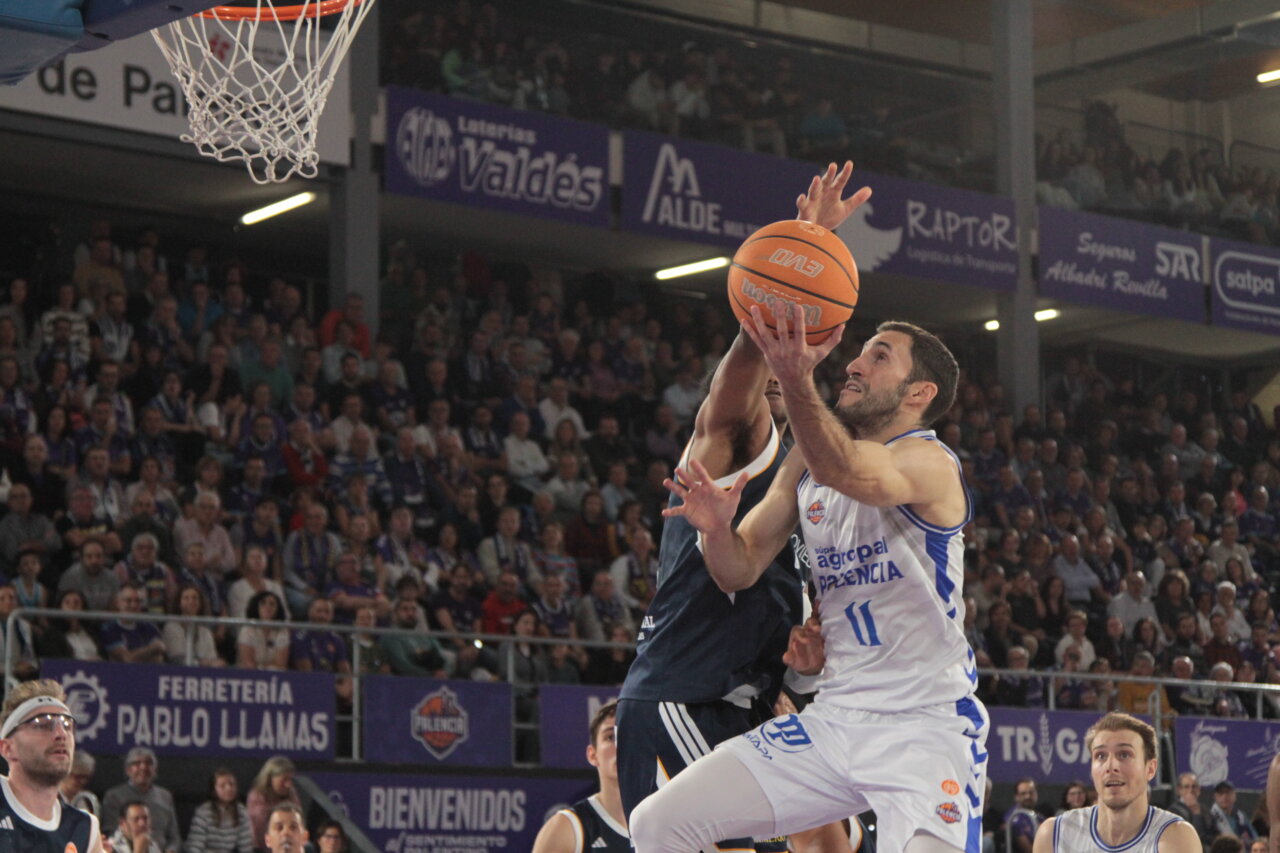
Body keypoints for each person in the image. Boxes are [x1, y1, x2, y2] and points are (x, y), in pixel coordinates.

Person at [631, 304, 984, 852]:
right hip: (835, 717)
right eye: (862, 350)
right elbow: (738, 567)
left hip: (924, 726)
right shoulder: (803, 466)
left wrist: (795, 377)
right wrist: (716, 531)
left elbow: (848, 469)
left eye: (879, 356)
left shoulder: (930, 462)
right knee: (657, 823)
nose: (855, 364)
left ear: (920, 393)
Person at [619, 162, 868, 853]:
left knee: (829, 839)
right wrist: (801, 255)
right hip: (685, 694)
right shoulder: (740, 443)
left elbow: (780, 629)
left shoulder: (810, 484)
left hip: (749, 700)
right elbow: (733, 392)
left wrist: (806, 666)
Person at [1031, 712, 1198, 852]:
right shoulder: (1054, 834)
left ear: (1150, 768)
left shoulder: (1175, 837)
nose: (1111, 766)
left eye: (1124, 754)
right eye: (1101, 756)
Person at [0, 680, 104, 853]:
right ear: (8, 748)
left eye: (67, 725)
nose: (61, 734)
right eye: (43, 724)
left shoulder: (85, 828)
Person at [533, 700, 629, 852]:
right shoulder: (565, 829)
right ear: (593, 755)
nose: (621, 746)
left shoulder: (663, 823)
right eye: (611, 737)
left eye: (629, 736)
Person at [101, 746, 181, 853]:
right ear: (128, 770)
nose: (143, 767)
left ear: (155, 769)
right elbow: (109, 833)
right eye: (137, 763)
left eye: (148, 763)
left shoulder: (165, 796)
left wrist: (171, 850)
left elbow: (174, 837)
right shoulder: (114, 796)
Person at [186, 768, 253, 853]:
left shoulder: (242, 812)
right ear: (214, 790)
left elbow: (246, 847)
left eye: (232, 784)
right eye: (222, 786)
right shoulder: (203, 812)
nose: (228, 788)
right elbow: (194, 847)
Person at [246, 757, 301, 851]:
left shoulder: (291, 793)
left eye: (290, 780)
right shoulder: (257, 797)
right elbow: (259, 830)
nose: (288, 785)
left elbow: (298, 820)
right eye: (284, 780)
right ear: (270, 778)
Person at [1167, 772, 1214, 848]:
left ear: (1199, 789)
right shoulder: (1174, 811)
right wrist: (1195, 813)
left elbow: (1214, 832)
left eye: (1194, 786)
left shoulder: (1205, 810)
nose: (1191, 790)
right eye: (1186, 787)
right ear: (1179, 790)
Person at [1004, 779, 1042, 853]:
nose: (1028, 796)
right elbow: (1029, 850)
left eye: (1031, 793)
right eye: (1023, 793)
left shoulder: (1040, 817)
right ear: (1016, 797)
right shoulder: (1012, 817)